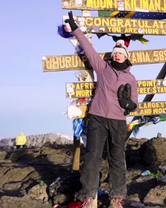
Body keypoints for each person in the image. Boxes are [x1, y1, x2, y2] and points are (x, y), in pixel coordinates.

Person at [64, 11, 138, 208]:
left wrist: (129, 105)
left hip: (118, 121)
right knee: (92, 157)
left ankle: (117, 198)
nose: (117, 55)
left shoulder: (131, 79)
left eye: (121, 53)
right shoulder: (103, 68)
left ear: (126, 57)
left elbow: (135, 103)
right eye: (115, 52)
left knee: (117, 159)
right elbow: (88, 48)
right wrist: (75, 27)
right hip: (97, 117)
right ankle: (89, 196)